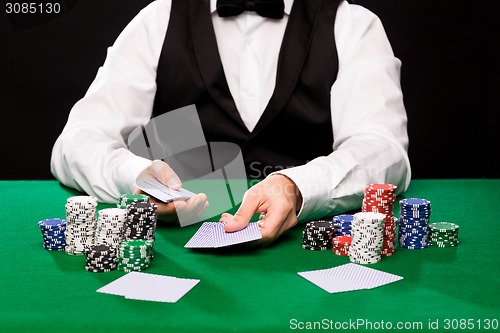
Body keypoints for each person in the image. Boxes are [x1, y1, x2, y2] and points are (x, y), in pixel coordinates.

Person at [51, 0, 411, 245]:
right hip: (178, 253)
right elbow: (76, 142)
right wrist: (134, 177)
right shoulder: (158, 19)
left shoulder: (353, 25)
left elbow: (384, 149)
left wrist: (299, 185)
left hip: (310, 254)